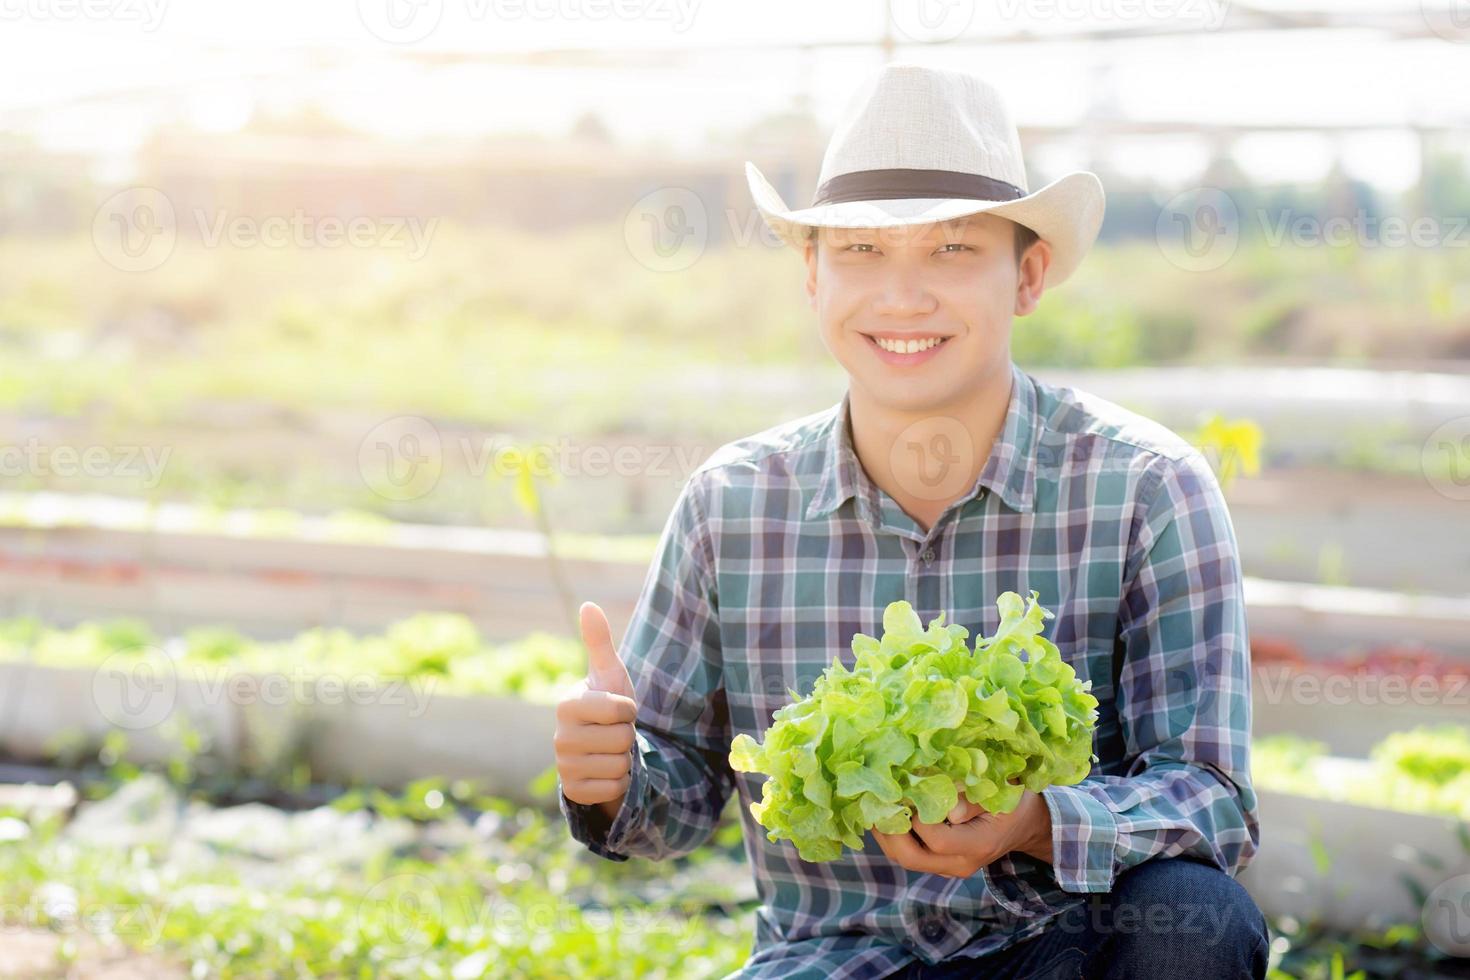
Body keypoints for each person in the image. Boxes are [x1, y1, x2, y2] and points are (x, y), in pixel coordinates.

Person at [554, 62, 1268, 979]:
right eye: (859, 251)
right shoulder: (730, 503)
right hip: (831, 960)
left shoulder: (1144, 488)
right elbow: (678, 797)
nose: (902, 297)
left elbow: (1213, 797)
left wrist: (1040, 823)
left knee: (1191, 917)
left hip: (1062, 949)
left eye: (952, 250)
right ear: (811, 275)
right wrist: (609, 776)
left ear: (1029, 274)